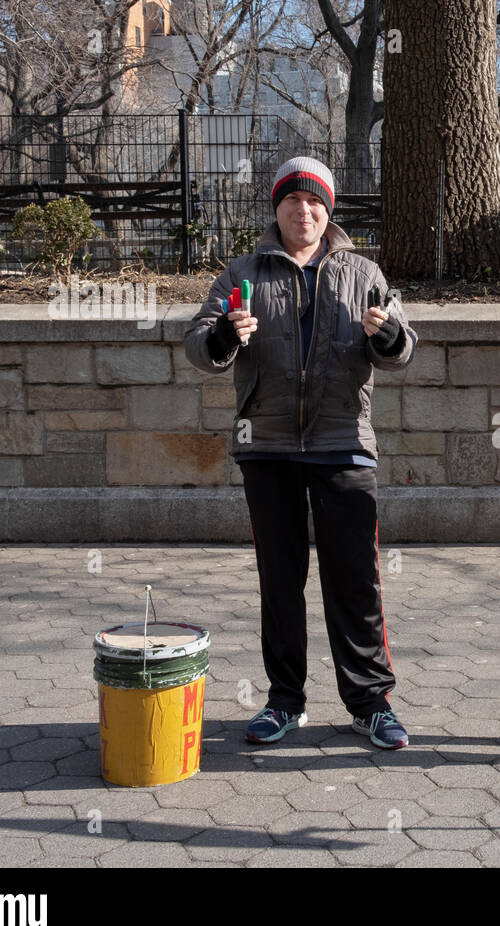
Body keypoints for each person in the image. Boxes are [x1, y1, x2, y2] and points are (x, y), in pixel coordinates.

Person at [184, 156, 417, 749]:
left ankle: (370, 703)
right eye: (292, 200)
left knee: (355, 580)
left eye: (314, 202)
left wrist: (386, 335)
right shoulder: (243, 271)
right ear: (277, 207)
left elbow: (403, 344)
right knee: (280, 580)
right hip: (268, 448)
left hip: (344, 446)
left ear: (328, 210)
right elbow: (197, 343)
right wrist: (221, 336)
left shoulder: (364, 271)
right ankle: (285, 701)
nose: (303, 210)